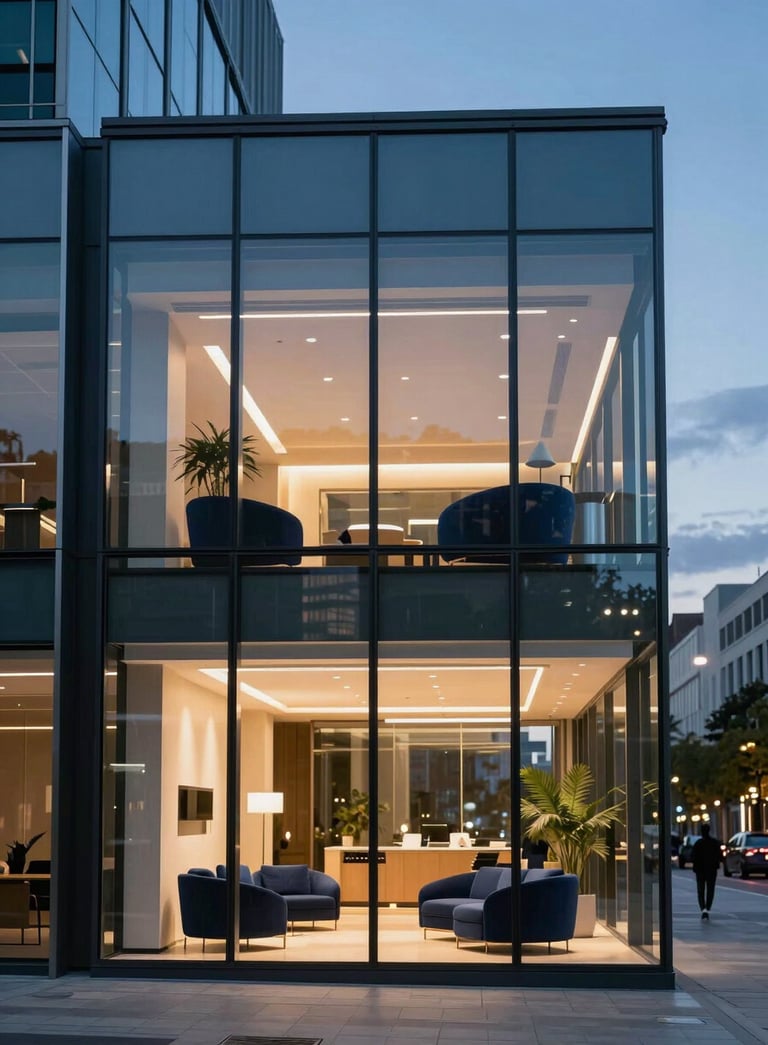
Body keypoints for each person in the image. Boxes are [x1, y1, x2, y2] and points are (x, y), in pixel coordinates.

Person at [691, 823, 722, 919]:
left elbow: (693, 857)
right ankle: (707, 907)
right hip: (711, 870)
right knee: (710, 889)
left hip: (700, 870)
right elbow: (720, 856)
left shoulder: (698, 843)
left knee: (700, 890)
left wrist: (695, 867)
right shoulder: (715, 843)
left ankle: (703, 908)